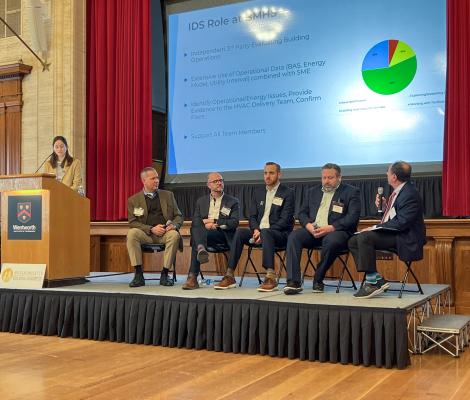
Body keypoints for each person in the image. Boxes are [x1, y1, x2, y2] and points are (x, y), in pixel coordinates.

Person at [348, 161, 426, 299]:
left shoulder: (410, 193)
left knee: (365, 237)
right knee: (353, 240)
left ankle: (372, 283)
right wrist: (385, 208)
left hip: (406, 237)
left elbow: (402, 223)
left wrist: (375, 227)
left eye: (388, 172)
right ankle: (374, 278)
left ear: (394, 177)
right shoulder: (400, 191)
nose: (386, 174)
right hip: (397, 233)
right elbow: (398, 216)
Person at [283, 163, 361, 294]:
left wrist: (331, 228)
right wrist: (308, 225)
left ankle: (318, 279)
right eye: (324, 178)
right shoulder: (312, 192)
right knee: (294, 236)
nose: (326, 181)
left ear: (339, 177)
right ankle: (293, 282)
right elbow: (301, 213)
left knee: (331, 241)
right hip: (314, 230)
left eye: (330, 178)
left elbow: (352, 218)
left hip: (337, 231)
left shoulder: (351, 192)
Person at [220, 162, 295, 292]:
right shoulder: (258, 192)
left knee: (267, 233)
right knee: (239, 233)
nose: (267, 176)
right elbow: (252, 216)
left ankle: (271, 276)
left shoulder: (288, 193)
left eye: (271, 173)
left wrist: (264, 232)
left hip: (279, 234)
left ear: (279, 174)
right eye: (265, 173)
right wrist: (256, 230)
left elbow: (286, 220)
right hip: (259, 232)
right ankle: (229, 274)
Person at [126, 167, 183, 287]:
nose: (157, 180)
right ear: (144, 181)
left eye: (157, 178)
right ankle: (138, 274)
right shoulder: (133, 200)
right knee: (132, 233)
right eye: (153, 178)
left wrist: (173, 225)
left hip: (165, 233)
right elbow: (133, 222)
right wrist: (151, 229)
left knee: (174, 235)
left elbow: (178, 216)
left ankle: (165, 273)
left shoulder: (168, 195)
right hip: (146, 235)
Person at [182, 172, 240, 290]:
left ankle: (192, 276)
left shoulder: (232, 201)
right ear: (208, 185)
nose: (219, 183)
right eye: (215, 181)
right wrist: (205, 225)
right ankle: (201, 249)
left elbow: (234, 223)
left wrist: (215, 222)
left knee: (197, 237)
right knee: (197, 228)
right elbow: (196, 221)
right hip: (205, 234)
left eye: (221, 180)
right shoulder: (201, 201)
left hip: (222, 234)